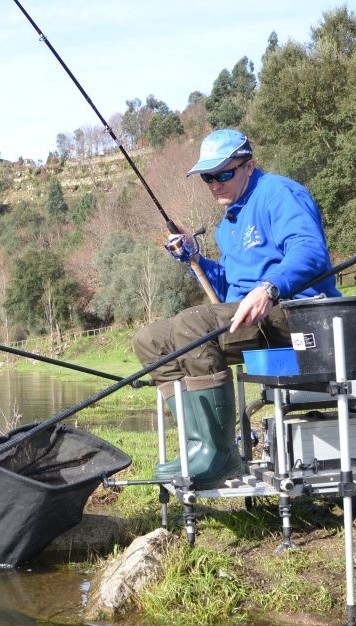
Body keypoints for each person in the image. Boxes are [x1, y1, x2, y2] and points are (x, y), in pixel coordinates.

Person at [133, 128, 339, 487]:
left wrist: (269, 287)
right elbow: (229, 290)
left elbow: (310, 252)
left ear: (249, 165)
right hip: (252, 316)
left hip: (298, 314)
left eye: (224, 174)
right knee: (151, 340)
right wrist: (195, 259)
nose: (215, 184)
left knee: (192, 323)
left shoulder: (279, 193)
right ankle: (201, 446)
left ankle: (221, 453)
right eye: (208, 178)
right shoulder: (227, 226)